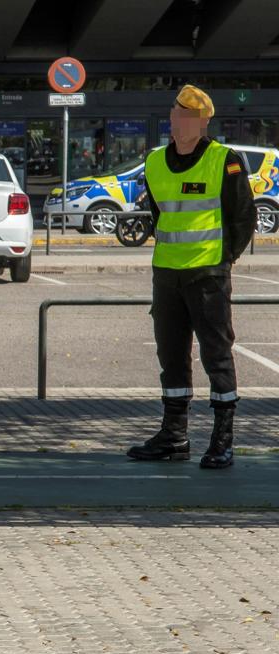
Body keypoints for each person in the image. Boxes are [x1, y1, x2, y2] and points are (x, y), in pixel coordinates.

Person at [128, 85, 255, 470]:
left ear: (201, 122)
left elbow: (243, 218)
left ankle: (223, 439)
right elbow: (158, 214)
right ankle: (174, 435)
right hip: (167, 275)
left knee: (216, 356)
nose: (176, 120)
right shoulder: (153, 163)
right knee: (171, 356)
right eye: (174, 113)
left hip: (207, 275)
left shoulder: (224, 160)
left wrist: (223, 260)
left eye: (185, 116)